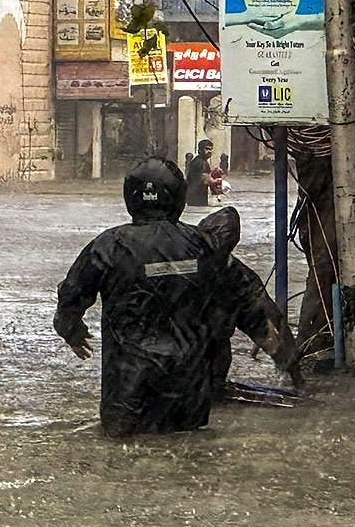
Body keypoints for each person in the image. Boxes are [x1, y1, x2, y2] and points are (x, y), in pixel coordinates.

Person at [54, 156, 224, 436]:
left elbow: (71, 295)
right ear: (179, 196)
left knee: (123, 454)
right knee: (190, 451)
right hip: (189, 389)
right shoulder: (203, 243)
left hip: (128, 389)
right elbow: (239, 298)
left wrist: (70, 329)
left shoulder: (109, 245)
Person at [198, 207, 303, 395]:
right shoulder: (184, 257)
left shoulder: (239, 278)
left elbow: (272, 320)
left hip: (209, 344)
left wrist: (295, 373)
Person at [185, 139, 215, 207]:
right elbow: (206, 179)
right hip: (197, 199)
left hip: (192, 198)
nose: (209, 151)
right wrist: (218, 184)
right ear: (200, 150)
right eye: (207, 149)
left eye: (211, 149)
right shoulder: (202, 163)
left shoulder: (197, 160)